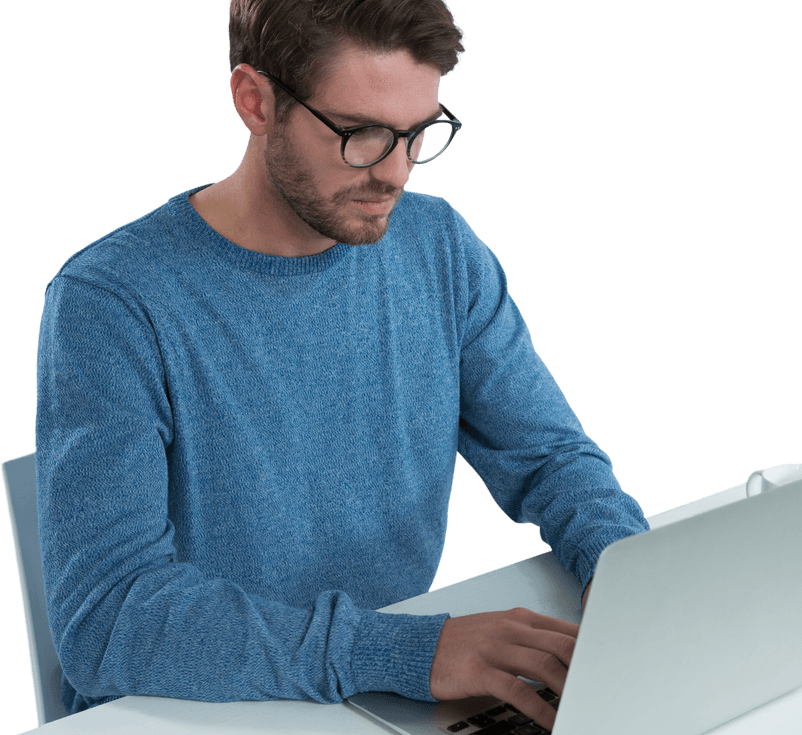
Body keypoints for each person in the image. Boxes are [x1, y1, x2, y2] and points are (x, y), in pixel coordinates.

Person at [34, 1, 649, 731]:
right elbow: (108, 619)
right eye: (362, 135)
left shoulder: (439, 248)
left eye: (420, 135)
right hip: (187, 713)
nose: (395, 173)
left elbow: (550, 458)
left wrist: (637, 580)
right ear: (255, 101)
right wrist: (399, 651)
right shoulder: (111, 301)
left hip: (378, 701)